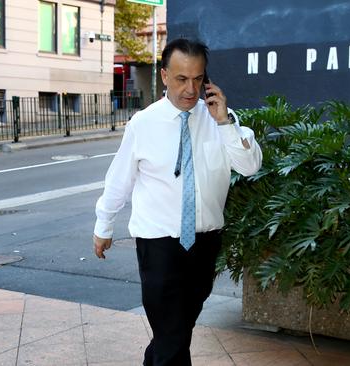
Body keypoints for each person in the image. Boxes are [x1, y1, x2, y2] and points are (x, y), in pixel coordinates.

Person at [92, 38, 262, 366]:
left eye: (198, 79)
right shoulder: (143, 123)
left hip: (205, 243)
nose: (190, 88)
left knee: (176, 329)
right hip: (158, 245)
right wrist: (104, 225)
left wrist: (225, 123)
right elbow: (119, 180)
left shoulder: (221, 121)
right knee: (172, 333)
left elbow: (250, 165)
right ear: (165, 76)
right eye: (182, 79)